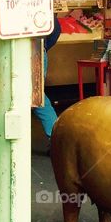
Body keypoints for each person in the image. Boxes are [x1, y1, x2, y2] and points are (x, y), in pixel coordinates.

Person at [32, 16, 61, 153]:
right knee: (35, 96)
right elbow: (55, 30)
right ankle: (57, 137)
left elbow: (55, 28)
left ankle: (57, 138)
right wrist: (44, 46)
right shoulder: (40, 1)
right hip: (36, 49)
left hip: (33, 51)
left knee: (35, 96)